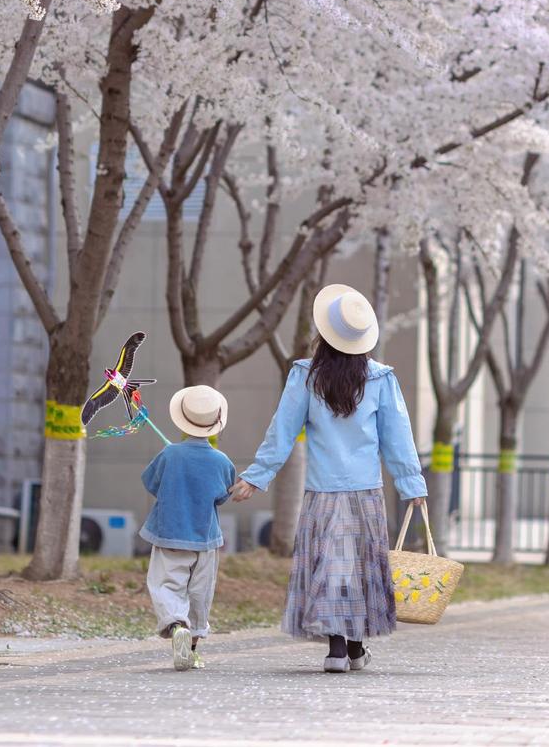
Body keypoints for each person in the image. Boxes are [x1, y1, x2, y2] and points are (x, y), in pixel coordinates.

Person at [231, 282, 426, 674]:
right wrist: (411, 485)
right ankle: (352, 650)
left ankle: (340, 650)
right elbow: (397, 436)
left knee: (333, 566)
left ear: (325, 332)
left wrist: (257, 477)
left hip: (322, 490)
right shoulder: (381, 378)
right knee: (358, 567)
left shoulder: (306, 375)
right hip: (365, 491)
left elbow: (281, 430)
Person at [140, 384, 236, 670]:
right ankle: (192, 647)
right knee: (200, 593)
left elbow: (150, 483)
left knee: (167, 584)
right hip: (205, 537)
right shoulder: (222, 462)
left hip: (169, 532)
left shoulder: (169, 455)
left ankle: (176, 626)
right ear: (216, 424)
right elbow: (223, 496)